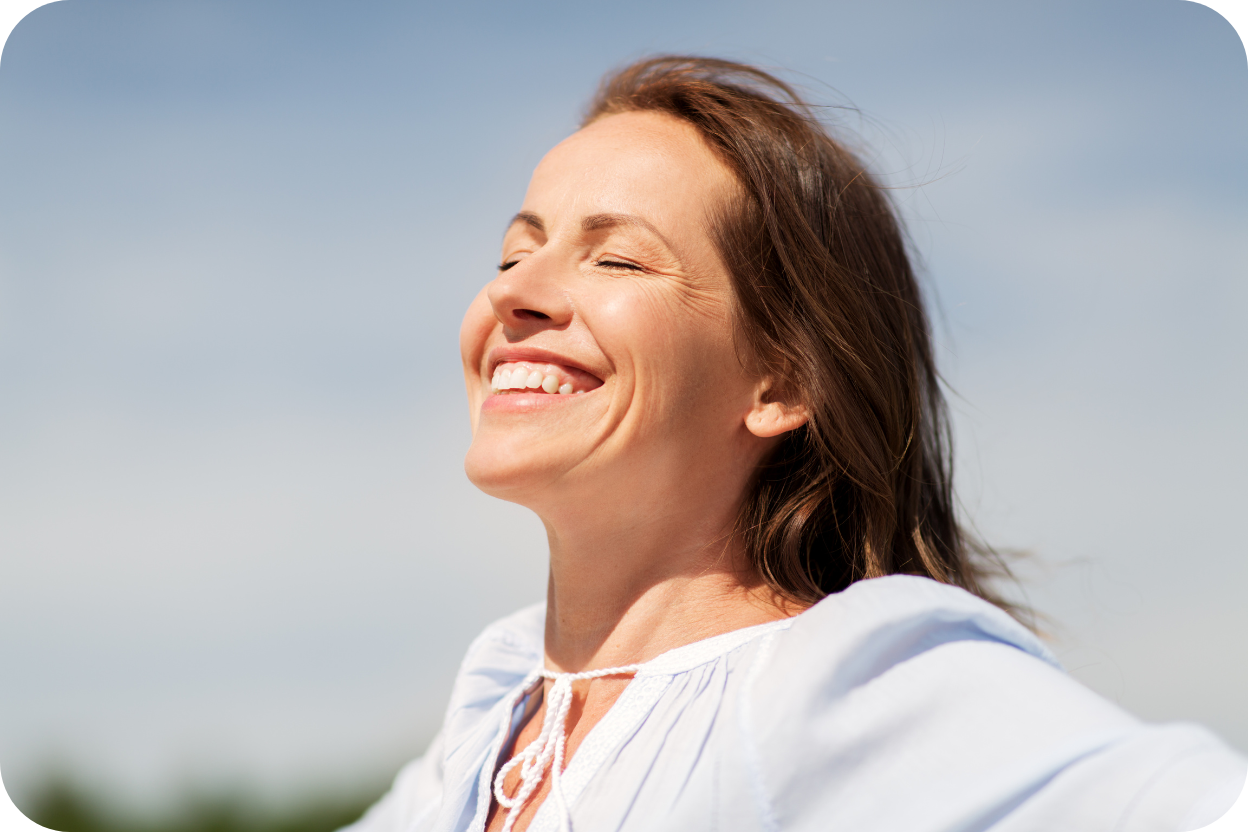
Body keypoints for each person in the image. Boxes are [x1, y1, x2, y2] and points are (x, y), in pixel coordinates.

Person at [342, 56, 1245, 832]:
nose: (514, 294)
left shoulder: (829, 688)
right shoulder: (491, 722)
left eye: (615, 259)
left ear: (782, 382)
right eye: (511, 255)